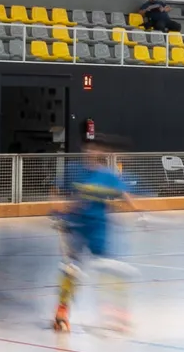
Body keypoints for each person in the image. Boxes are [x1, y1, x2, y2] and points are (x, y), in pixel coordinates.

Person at [52, 141, 135, 334]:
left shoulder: (107, 176)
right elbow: (57, 191)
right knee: (71, 271)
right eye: (88, 148)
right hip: (77, 228)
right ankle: (61, 312)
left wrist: (140, 212)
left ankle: (117, 312)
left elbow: (124, 194)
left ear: (101, 153)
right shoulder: (74, 171)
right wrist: (57, 211)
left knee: (109, 269)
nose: (91, 152)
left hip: (99, 229)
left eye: (95, 149)